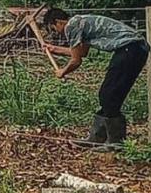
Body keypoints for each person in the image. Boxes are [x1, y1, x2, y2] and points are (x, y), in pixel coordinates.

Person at [43, 8, 149, 147]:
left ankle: (115, 143)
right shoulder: (80, 22)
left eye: (53, 28)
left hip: (129, 49)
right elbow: (82, 53)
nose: (57, 33)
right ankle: (98, 138)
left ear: (58, 22)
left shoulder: (71, 26)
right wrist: (54, 49)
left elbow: (76, 61)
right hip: (134, 49)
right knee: (109, 94)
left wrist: (62, 72)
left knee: (109, 94)